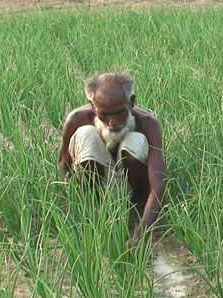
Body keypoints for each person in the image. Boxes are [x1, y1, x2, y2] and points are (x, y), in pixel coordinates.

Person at [58, 72, 165, 246]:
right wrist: (75, 208)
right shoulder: (77, 119)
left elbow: (158, 182)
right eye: (104, 115)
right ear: (93, 107)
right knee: (86, 135)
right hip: (98, 188)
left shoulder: (148, 124)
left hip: (130, 189)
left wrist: (142, 234)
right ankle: (94, 209)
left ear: (131, 102)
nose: (112, 123)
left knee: (136, 142)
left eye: (120, 113)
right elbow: (64, 165)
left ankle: (134, 211)